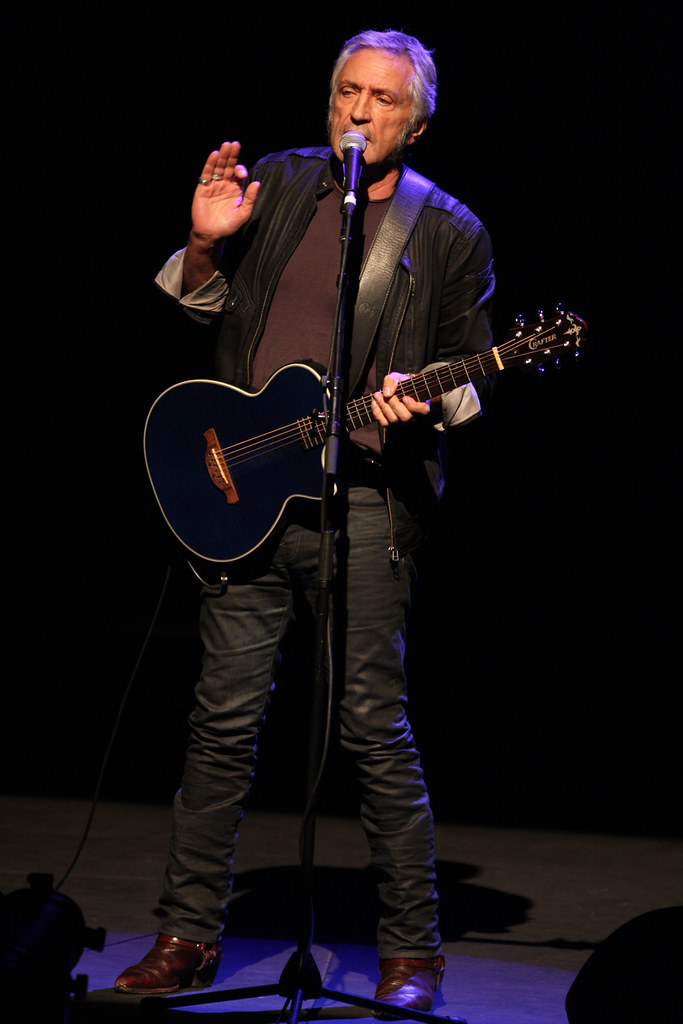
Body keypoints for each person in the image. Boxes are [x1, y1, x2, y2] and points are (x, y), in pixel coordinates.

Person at [115, 29, 495, 1015]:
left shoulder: (446, 229)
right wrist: (202, 241)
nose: (358, 113)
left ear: (417, 118)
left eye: (381, 100)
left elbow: (471, 381)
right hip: (246, 495)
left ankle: (411, 951)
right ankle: (185, 933)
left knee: (372, 725)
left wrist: (427, 394)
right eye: (345, 93)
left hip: (369, 506)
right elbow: (197, 304)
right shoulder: (281, 185)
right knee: (221, 722)